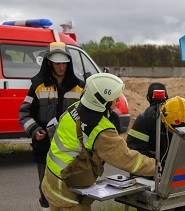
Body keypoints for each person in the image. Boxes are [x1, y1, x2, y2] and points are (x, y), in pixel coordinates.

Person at [41, 73, 156, 210]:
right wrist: (158, 167)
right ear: (102, 101)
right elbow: (127, 159)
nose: (118, 100)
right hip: (68, 189)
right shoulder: (101, 130)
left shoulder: (75, 107)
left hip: (50, 180)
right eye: (115, 98)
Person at [18, 42, 85, 210]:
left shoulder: (80, 87)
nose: (61, 67)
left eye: (64, 63)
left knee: (71, 186)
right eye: (57, 63)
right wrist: (34, 130)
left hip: (70, 148)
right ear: (49, 62)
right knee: (45, 186)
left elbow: (86, 117)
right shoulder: (37, 85)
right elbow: (24, 113)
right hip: (44, 147)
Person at [127, 95, 185, 211]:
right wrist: (154, 172)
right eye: (174, 129)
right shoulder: (146, 120)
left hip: (177, 176)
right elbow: (134, 153)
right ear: (163, 119)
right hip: (149, 176)